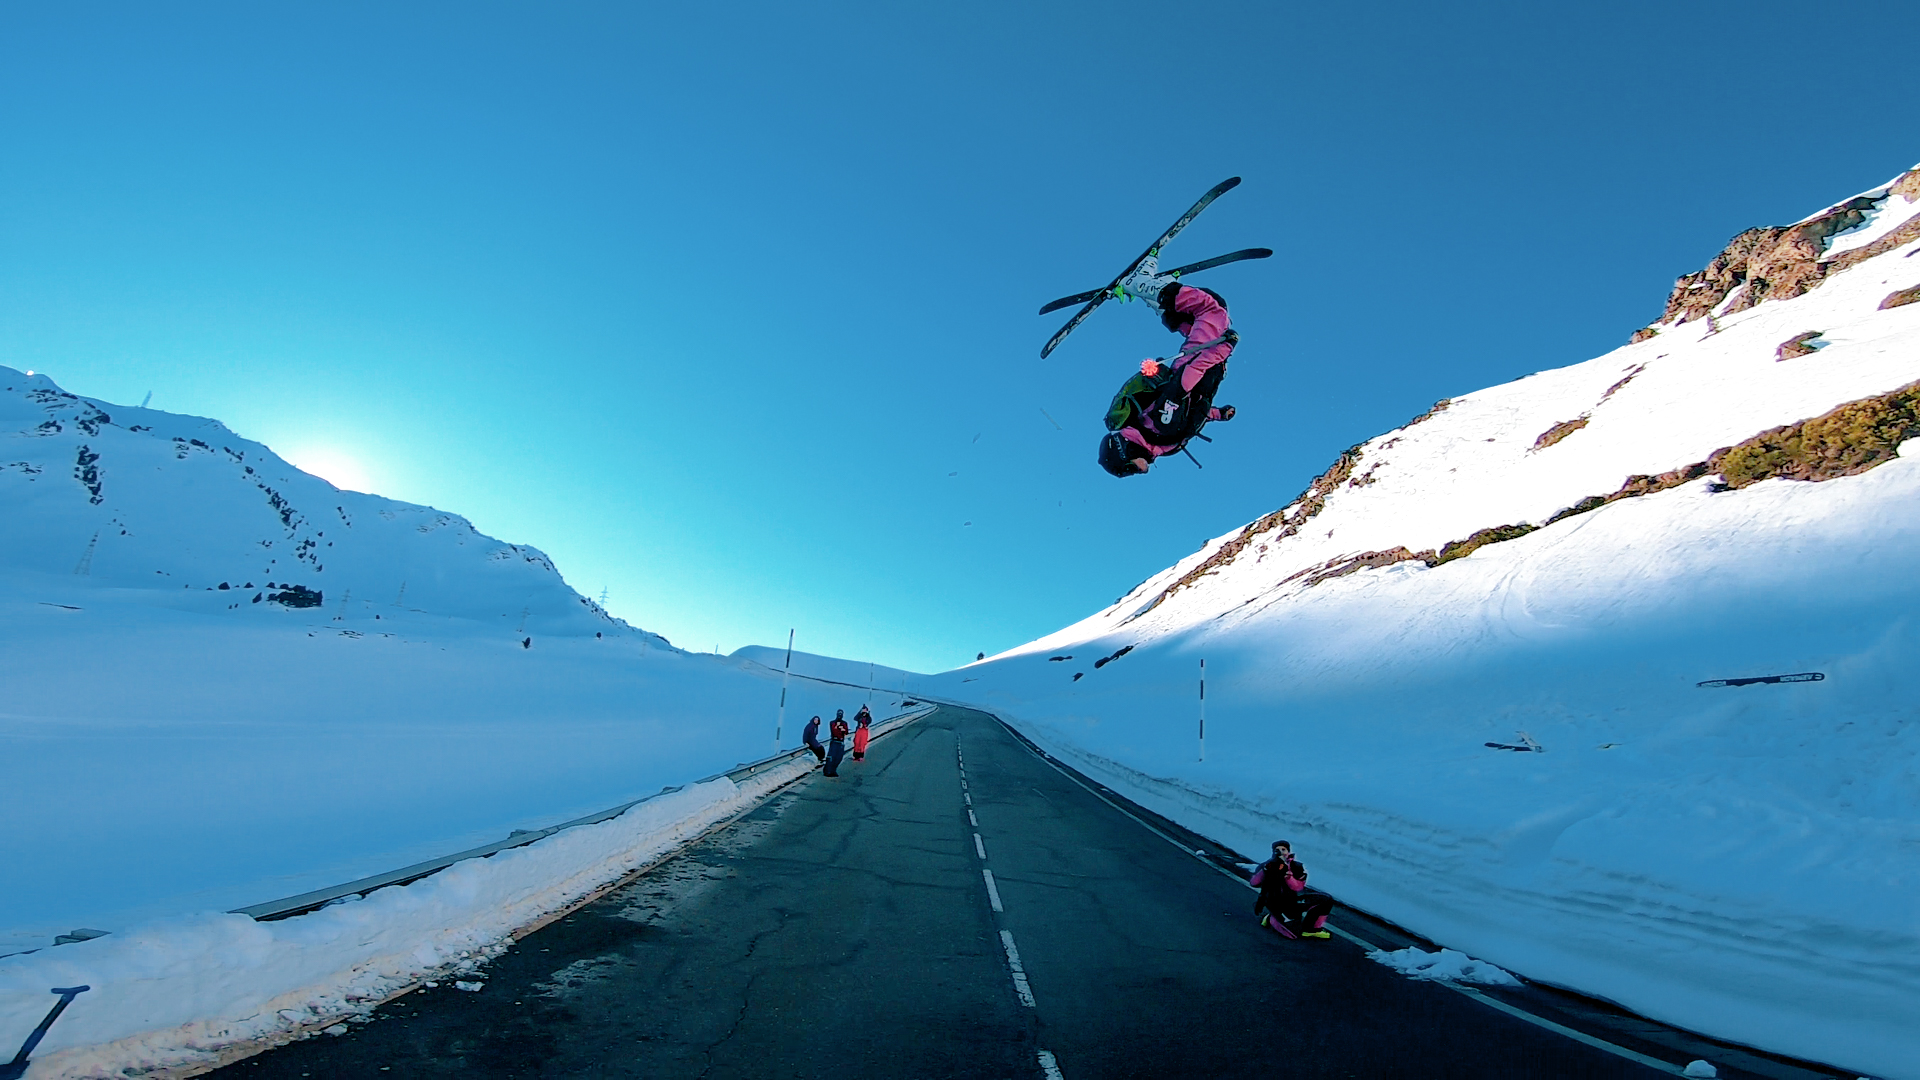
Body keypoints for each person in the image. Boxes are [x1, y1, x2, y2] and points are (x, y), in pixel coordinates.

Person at [1098, 265, 1238, 477]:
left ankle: (1142, 285)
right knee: (1193, 322)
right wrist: (1219, 414)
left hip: (1199, 363)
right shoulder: (1160, 441)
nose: (1141, 471)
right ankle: (1155, 294)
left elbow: (1184, 383)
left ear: (1125, 452)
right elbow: (1193, 413)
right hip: (1204, 367)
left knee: (1214, 310)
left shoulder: (1162, 426)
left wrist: (1223, 349)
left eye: (1133, 468)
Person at [1250, 839, 1333, 940]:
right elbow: (1254, 883)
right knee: (1293, 935)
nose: (1281, 852)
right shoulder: (1266, 866)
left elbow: (1299, 887)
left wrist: (1289, 877)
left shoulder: (1297, 867)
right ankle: (1272, 918)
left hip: (1292, 901)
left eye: (1283, 849)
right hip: (1275, 903)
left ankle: (1311, 930)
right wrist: (1264, 871)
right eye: (1277, 850)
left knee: (1326, 900)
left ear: (1288, 851)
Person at [824, 710, 850, 778]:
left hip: (840, 742)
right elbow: (833, 731)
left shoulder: (844, 723)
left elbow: (846, 732)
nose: (839, 715)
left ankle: (833, 770)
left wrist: (842, 729)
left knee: (839, 757)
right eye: (839, 714)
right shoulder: (832, 723)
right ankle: (828, 771)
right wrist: (837, 727)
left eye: (841, 714)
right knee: (831, 757)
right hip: (834, 741)